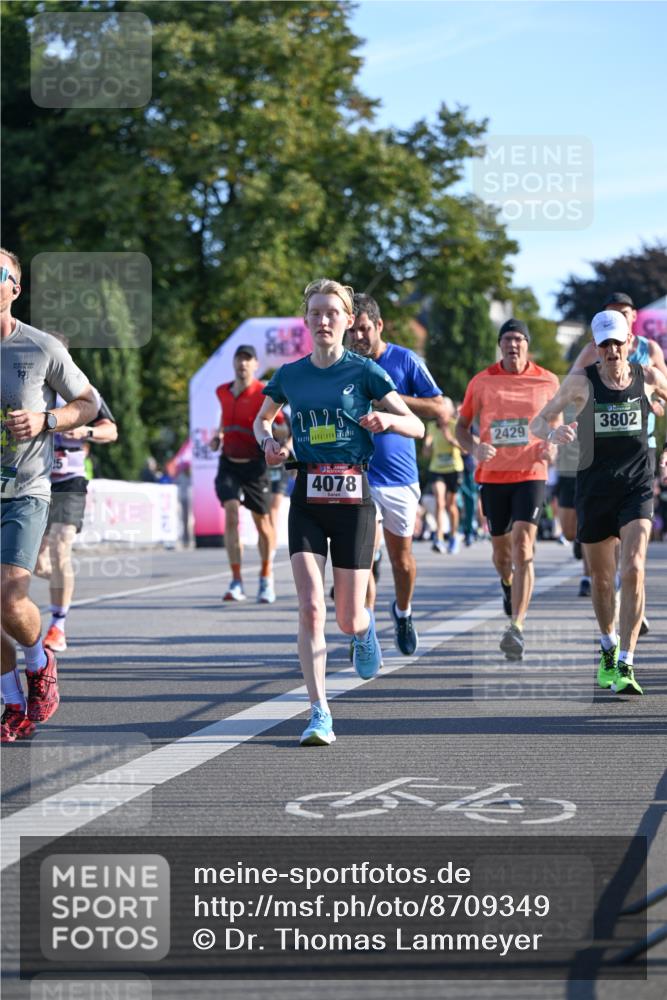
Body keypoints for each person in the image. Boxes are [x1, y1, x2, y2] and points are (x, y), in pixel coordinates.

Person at [254, 278, 424, 746]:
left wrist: (388, 419)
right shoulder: (291, 375)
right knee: (310, 607)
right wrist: (267, 441)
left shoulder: (365, 371)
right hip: (307, 494)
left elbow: (417, 424)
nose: (324, 320)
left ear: (349, 321)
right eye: (316, 313)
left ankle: (365, 632)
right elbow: (262, 418)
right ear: (306, 321)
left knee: (348, 617)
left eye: (333, 312)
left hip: (354, 500)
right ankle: (319, 711)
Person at [531, 309, 667, 695]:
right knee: (603, 581)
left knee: (635, 568)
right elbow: (538, 422)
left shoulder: (649, 378)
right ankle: (608, 645)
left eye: (616, 342)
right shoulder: (580, 383)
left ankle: (626, 662)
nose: (611, 350)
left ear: (629, 343)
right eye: (603, 343)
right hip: (594, 489)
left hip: (637, 486)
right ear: (594, 347)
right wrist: (553, 435)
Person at [0, 247, 98, 743]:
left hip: (25, 489)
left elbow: (89, 403)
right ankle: (13, 704)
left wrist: (46, 419)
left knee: (10, 597)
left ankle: (39, 661)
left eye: (0, 274)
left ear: (15, 288)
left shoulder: (39, 348)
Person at [455, 319, 560, 660]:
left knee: (523, 545)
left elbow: (555, 428)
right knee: (502, 555)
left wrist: (552, 447)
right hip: (493, 476)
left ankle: (517, 626)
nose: (513, 344)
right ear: (499, 345)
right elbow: (460, 426)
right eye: (507, 339)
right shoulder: (481, 381)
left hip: (531, 473)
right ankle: (507, 584)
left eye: (519, 339)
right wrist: (473, 448)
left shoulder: (548, 380)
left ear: (528, 345)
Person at [347, 293, 443, 655]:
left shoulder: (405, 360)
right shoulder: (343, 365)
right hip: (358, 476)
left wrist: (392, 401)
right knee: (363, 559)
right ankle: (365, 632)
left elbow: (438, 405)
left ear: (379, 326)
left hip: (400, 476)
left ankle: (402, 613)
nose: (357, 337)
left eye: (364, 329)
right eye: (352, 331)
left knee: (401, 562)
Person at [570, 292, 667, 632]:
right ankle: (601, 584)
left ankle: (630, 597)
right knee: (604, 560)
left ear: (633, 319)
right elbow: (574, 391)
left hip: (643, 445)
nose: (617, 320)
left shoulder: (650, 351)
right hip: (599, 455)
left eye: (623, 315)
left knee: (634, 555)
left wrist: (656, 401)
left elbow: (663, 388)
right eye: (611, 315)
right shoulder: (592, 351)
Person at [34, 389, 117, 652]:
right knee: (36, 564)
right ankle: (64, 580)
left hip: (70, 481)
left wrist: (86, 432)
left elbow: (111, 431)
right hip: (35, 482)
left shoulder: (82, 391)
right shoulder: (26, 385)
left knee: (60, 548)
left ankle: (57, 626)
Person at [211, 344, 285, 604]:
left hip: (256, 465)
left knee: (262, 523)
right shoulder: (222, 391)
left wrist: (284, 445)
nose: (243, 364)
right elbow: (223, 419)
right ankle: (236, 580)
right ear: (234, 363)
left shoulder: (263, 393)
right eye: (239, 359)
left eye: (248, 360)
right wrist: (218, 436)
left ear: (255, 365)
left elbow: (280, 424)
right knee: (231, 514)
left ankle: (266, 577)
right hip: (229, 463)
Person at [423, 398, 464, 554]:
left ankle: (453, 536)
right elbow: (426, 453)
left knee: (450, 505)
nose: (440, 415)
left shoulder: (455, 426)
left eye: (443, 412)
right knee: (439, 502)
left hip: (454, 468)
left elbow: (465, 450)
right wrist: (427, 446)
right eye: (438, 412)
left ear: (449, 412)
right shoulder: (432, 426)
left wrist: (450, 439)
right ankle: (439, 538)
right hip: (437, 468)